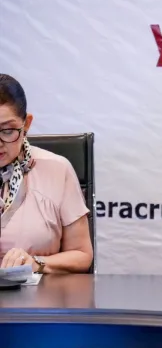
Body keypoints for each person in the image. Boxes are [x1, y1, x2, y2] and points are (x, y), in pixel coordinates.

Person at [0, 74, 93, 273]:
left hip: (38, 291)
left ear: (26, 124)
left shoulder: (57, 169)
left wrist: (36, 263)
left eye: (7, 131)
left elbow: (82, 255)